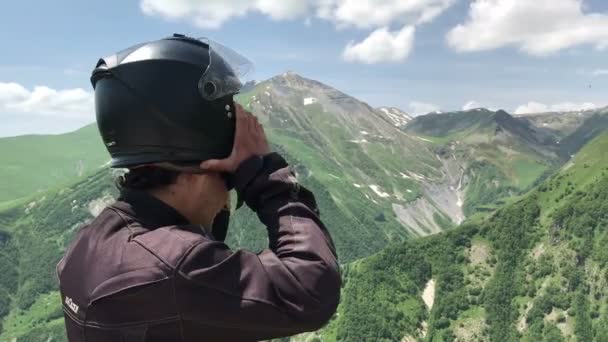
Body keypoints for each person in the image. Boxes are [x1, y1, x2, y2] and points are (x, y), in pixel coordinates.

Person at [56, 34, 341, 342]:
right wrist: (265, 173)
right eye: (231, 179)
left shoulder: (88, 242)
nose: (227, 197)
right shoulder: (175, 266)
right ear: (208, 162)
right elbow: (311, 291)